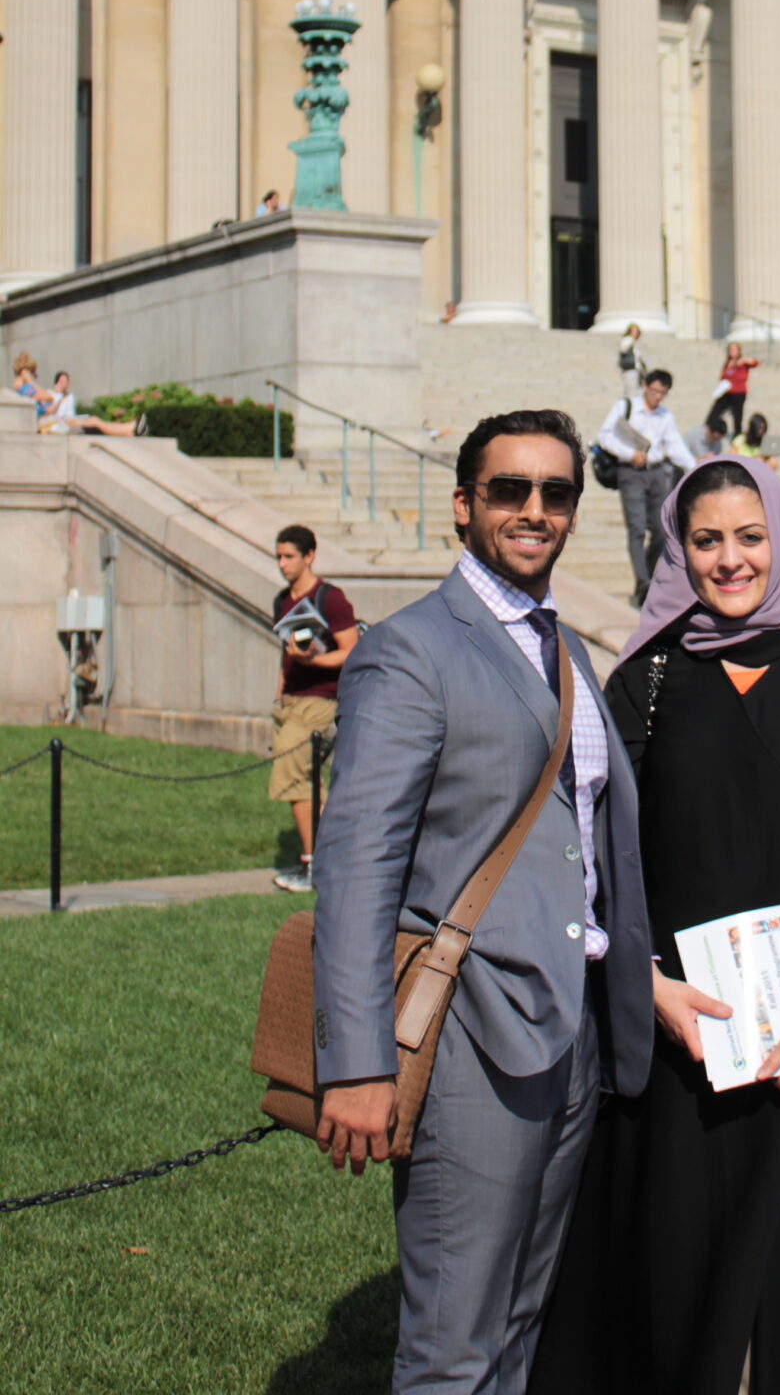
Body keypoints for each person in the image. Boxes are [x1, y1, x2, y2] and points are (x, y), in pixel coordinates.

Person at [533, 455, 780, 1395]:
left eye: (748, 537)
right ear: (677, 551)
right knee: (675, 1283)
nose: (729, 560)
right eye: (705, 541)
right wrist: (644, 985)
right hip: (678, 1038)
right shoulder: (646, 679)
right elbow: (595, 853)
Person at [311, 409, 653, 1395]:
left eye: (556, 492)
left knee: (517, 1322)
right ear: (463, 505)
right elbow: (357, 865)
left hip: (572, 1030)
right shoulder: (410, 649)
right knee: (452, 1344)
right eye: (509, 489)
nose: (533, 509)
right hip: (467, 1031)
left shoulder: (567, 648)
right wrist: (357, 1060)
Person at [269, 524, 360, 892]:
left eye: (289, 556)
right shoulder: (282, 600)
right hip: (290, 702)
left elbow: (352, 651)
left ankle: (314, 864)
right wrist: (280, 690)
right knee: (305, 782)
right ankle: (332, 861)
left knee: (294, 778)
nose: (282, 564)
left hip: (320, 700)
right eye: (278, 556)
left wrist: (312, 661)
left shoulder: (330, 598)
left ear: (310, 556)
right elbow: (285, 652)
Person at [598, 370, 695, 607]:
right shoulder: (625, 407)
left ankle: (649, 578)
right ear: (645, 386)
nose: (657, 397)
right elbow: (605, 436)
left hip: (656, 472)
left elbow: (675, 446)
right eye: (654, 391)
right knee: (637, 527)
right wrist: (629, 454)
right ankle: (642, 582)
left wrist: (694, 468)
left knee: (662, 530)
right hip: (630, 472)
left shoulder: (665, 416)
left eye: (663, 393)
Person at [37, 371, 146, 436]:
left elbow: (71, 414)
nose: (64, 384)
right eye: (62, 381)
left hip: (69, 421)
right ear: (56, 382)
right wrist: (59, 396)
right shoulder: (49, 394)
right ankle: (129, 429)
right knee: (95, 422)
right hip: (58, 424)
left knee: (94, 421)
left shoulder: (70, 396)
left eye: (66, 381)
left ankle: (129, 429)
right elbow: (50, 412)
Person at [706, 341, 760, 439]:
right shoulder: (728, 363)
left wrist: (745, 360)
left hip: (739, 393)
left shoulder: (743, 362)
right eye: (731, 349)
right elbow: (723, 377)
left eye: (735, 349)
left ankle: (737, 436)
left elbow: (756, 363)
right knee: (714, 413)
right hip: (727, 392)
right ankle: (711, 430)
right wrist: (731, 366)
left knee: (737, 417)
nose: (733, 351)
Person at [617, 322, 648, 399]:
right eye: (633, 331)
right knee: (631, 392)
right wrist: (631, 339)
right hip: (630, 368)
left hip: (637, 370)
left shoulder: (634, 342)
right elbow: (623, 349)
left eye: (636, 331)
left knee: (637, 391)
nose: (635, 333)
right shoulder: (628, 339)